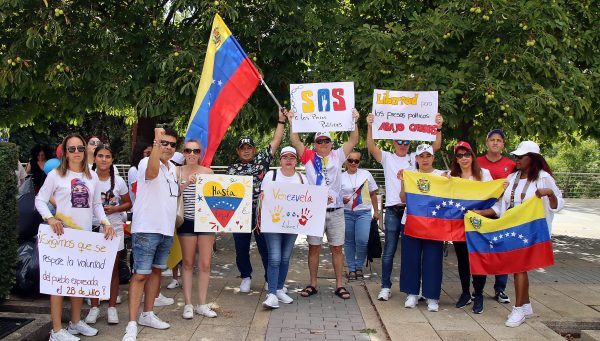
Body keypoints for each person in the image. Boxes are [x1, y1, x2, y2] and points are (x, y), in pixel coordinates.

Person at [474, 141, 563, 327]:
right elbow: (502, 206)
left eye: (521, 157)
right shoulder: (512, 177)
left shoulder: (543, 177)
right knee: (519, 267)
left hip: (533, 231)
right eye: (516, 156)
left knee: (519, 268)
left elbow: (558, 205)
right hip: (512, 229)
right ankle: (526, 306)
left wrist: (550, 194)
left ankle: (518, 309)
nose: (517, 160)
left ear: (533, 158)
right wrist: (480, 213)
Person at [35, 134, 115, 341]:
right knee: (59, 283)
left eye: (80, 148)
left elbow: (97, 205)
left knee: (79, 282)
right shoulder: (55, 175)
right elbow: (40, 200)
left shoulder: (92, 177)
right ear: (65, 152)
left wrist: (105, 222)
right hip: (61, 237)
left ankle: (75, 323)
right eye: (72, 149)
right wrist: (50, 218)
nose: (77, 152)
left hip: (84, 238)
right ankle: (56, 331)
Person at [365, 112, 444, 301]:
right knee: (390, 250)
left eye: (406, 142)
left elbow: (436, 147)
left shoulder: (415, 159)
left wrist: (438, 127)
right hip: (393, 210)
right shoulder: (386, 157)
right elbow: (371, 147)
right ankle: (385, 286)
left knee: (414, 252)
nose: (402, 145)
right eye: (399, 142)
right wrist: (369, 126)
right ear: (393, 143)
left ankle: (418, 289)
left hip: (414, 212)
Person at [289, 108, 360, 300]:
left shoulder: (338, 155)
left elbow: (353, 140)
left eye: (326, 141)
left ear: (331, 143)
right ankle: (313, 284)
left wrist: (354, 120)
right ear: (314, 144)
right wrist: (292, 120)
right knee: (314, 247)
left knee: (337, 247)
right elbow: (295, 141)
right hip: (315, 210)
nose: (323, 144)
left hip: (336, 210)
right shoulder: (309, 156)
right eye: (319, 141)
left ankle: (339, 285)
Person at [122, 127, 179, 341]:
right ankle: (131, 323)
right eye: (164, 143)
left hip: (166, 230)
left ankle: (148, 314)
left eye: (172, 144)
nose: (168, 147)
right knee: (139, 275)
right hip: (146, 229)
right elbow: (152, 173)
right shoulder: (147, 161)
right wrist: (156, 141)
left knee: (156, 273)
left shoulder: (173, 168)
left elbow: (169, 193)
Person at [226, 108, 286, 293]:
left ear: (254, 149)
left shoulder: (262, 160)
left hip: (261, 212)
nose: (246, 151)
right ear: (238, 151)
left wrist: (281, 121)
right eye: (243, 148)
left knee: (265, 247)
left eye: (249, 148)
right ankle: (245, 276)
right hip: (239, 214)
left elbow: (275, 142)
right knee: (241, 248)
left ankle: (270, 278)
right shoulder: (231, 168)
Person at [86, 145, 132, 325]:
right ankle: (94, 307)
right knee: (93, 269)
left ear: (112, 159)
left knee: (112, 269)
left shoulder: (119, 181)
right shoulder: (87, 178)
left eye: (107, 156)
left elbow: (128, 203)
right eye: (100, 156)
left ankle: (112, 307)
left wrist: (115, 208)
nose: (104, 159)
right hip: (92, 227)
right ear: (94, 158)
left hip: (113, 228)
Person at [397, 144, 446, 312]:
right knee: (411, 258)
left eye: (428, 156)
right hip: (411, 221)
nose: (425, 159)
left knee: (433, 259)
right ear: (416, 159)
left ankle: (432, 296)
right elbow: (403, 198)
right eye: (421, 156)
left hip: (434, 224)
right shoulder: (410, 174)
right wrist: (403, 181)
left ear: (433, 158)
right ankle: (412, 293)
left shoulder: (442, 175)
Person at [260, 146, 308, 309]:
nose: (288, 160)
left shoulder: (302, 178)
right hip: (273, 223)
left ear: (296, 160)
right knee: (275, 257)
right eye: (285, 157)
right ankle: (272, 293)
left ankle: (279, 289)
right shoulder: (270, 175)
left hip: (292, 224)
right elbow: (262, 198)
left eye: (292, 157)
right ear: (280, 159)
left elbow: (309, 199)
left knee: (285, 257)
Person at [449, 141, 493, 314]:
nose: (464, 158)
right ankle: (465, 292)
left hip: (478, 225)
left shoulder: (484, 174)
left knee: (478, 259)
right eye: (459, 155)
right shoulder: (451, 177)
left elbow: (493, 197)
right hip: (459, 224)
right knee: (462, 260)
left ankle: (479, 293)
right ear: (456, 159)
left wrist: (481, 211)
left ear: (472, 155)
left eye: (466, 154)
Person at [177, 139, 217, 319]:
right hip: (186, 221)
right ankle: (188, 304)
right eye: (188, 150)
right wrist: (186, 183)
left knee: (205, 264)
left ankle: (202, 303)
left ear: (200, 154)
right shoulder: (176, 171)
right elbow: (171, 195)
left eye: (196, 151)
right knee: (187, 262)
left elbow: (216, 197)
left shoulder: (208, 172)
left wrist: (221, 222)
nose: (192, 154)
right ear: (183, 153)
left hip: (206, 222)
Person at [476, 129, 516, 304]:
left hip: (503, 214)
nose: (495, 143)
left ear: (503, 144)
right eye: (492, 140)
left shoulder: (511, 165)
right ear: (486, 143)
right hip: (481, 212)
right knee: (481, 251)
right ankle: (477, 290)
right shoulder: (477, 162)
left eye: (499, 140)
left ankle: (500, 289)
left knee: (502, 252)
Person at [339, 151, 378, 280]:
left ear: (359, 162)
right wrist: (341, 200)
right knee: (349, 241)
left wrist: (376, 211)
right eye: (350, 160)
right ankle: (351, 269)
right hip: (346, 212)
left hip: (364, 212)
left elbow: (373, 193)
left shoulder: (366, 174)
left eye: (356, 161)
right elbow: (334, 195)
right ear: (346, 161)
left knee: (362, 240)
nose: (353, 163)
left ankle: (359, 266)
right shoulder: (340, 177)